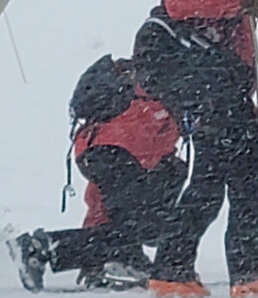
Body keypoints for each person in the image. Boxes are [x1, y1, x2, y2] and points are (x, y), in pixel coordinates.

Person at [132, 0, 258, 297]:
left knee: (215, 187)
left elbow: (238, 55)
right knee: (239, 187)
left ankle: (175, 271)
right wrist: (241, 1)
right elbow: (178, 3)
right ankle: (241, 275)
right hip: (212, 102)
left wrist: (252, 95)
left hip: (220, 101)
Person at [7, 56, 185, 292]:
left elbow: (101, 202)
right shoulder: (174, 88)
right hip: (123, 149)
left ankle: (115, 259)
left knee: (132, 217)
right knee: (148, 222)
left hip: (98, 148)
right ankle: (42, 248)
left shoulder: (143, 88)